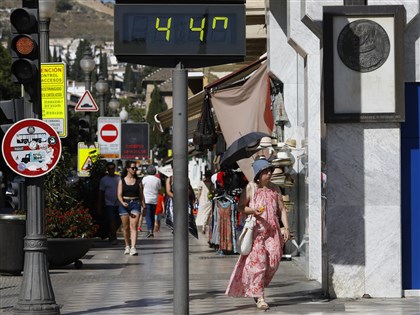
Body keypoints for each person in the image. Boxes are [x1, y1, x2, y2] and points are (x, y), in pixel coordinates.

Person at [225, 158, 290, 310]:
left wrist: (286, 228)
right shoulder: (250, 188)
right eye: (266, 171)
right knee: (259, 265)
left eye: (270, 171)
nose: (269, 174)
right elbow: (240, 207)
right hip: (257, 234)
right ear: (259, 174)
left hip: (273, 232)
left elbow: (282, 210)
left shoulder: (275, 189)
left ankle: (256, 285)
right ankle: (259, 296)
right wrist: (253, 211)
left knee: (273, 262)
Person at [117, 161, 146, 256]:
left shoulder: (138, 182)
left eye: (135, 168)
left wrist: (144, 206)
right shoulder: (121, 180)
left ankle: (133, 247)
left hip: (135, 203)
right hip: (124, 204)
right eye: (132, 168)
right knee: (125, 228)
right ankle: (127, 246)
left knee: (133, 226)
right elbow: (119, 194)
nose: (134, 170)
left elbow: (141, 196)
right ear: (128, 169)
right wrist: (122, 202)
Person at [97, 161, 121, 245]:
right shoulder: (104, 180)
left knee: (119, 221)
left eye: (112, 168)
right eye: (109, 169)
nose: (111, 170)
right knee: (112, 220)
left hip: (118, 203)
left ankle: (111, 233)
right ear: (107, 170)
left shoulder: (118, 179)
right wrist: (99, 206)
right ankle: (113, 237)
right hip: (109, 204)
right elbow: (101, 193)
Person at [142, 165, 161, 238]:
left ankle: (149, 230)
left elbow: (141, 187)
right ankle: (151, 230)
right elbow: (159, 188)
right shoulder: (157, 179)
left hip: (146, 199)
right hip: (154, 199)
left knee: (148, 215)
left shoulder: (144, 179)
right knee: (152, 215)